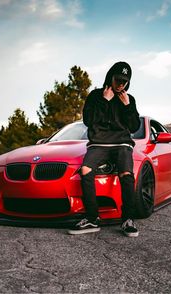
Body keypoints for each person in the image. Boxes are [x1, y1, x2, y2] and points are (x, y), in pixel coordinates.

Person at [68, 61, 141, 237]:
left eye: (125, 81)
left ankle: (128, 219)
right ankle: (92, 218)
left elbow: (133, 127)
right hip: (98, 143)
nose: (121, 84)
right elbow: (89, 121)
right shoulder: (95, 95)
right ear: (111, 77)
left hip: (122, 143)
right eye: (118, 79)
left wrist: (127, 106)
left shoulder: (129, 99)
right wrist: (104, 101)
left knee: (126, 174)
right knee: (85, 170)